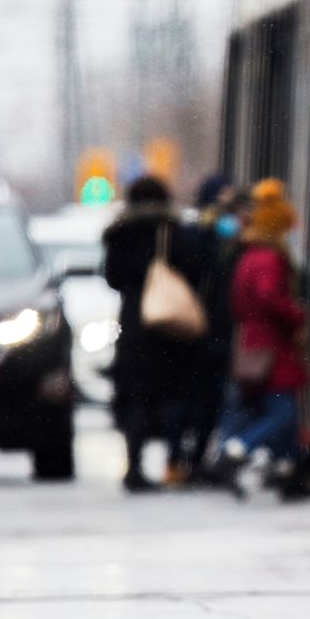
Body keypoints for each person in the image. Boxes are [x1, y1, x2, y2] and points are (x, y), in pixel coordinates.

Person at [102, 176, 207, 493]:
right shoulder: (172, 232)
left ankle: (133, 465)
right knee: (173, 395)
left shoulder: (119, 234)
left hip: (134, 327)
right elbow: (194, 267)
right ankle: (176, 461)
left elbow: (112, 277)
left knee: (136, 399)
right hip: (167, 329)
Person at [217, 179, 310, 502]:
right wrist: (296, 312)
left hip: (255, 342)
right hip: (273, 347)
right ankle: (236, 450)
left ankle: (289, 474)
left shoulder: (249, 256)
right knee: (283, 413)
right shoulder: (269, 259)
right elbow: (269, 297)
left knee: (283, 417)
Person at [171, 174, 251, 486]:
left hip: (217, 331)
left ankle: (196, 460)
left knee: (212, 401)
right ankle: (179, 460)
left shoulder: (231, 240)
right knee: (193, 401)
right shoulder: (196, 236)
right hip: (194, 331)